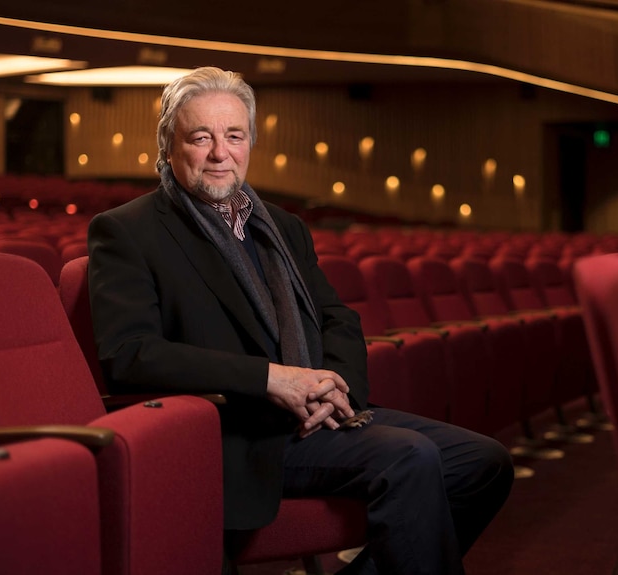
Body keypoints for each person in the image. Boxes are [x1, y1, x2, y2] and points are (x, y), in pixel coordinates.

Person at [87, 66, 514, 574]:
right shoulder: (127, 231)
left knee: (484, 462)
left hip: (316, 419)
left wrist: (340, 390)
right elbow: (131, 354)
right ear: (169, 145)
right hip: (238, 432)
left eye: (234, 136)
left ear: (250, 142)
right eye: (201, 138)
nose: (221, 153)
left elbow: (339, 320)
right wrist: (271, 380)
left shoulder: (282, 227)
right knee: (410, 458)